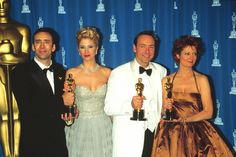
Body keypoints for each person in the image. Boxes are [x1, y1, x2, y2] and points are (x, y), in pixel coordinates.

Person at [151, 35, 233, 157]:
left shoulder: (202, 80)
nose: (192, 57)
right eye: (187, 53)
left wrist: (186, 120)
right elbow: (163, 110)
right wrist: (165, 108)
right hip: (171, 134)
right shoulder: (166, 81)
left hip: (198, 133)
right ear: (178, 55)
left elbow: (209, 112)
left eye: (194, 53)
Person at [104, 31, 167, 157]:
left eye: (151, 46)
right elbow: (108, 108)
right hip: (129, 138)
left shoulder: (161, 71)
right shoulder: (118, 73)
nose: (147, 51)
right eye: (142, 46)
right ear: (134, 48)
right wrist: (130, 105)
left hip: (155, 136)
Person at [11, 27, 68, 157]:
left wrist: (69, 113)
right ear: (33, 46)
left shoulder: (62, 72)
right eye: (38, 42)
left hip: (58, 143)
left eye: (47, 42)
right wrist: (62, 102)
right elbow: (29, 106)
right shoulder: (20, 72)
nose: (42, 46)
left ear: (53, 47)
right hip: (33, 142)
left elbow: (64, 108)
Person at [61, 27, 112, 157]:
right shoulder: (72, 73)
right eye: (82, 47)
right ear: (78, 50)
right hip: (80, 125)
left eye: (90, 46)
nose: (86, 51)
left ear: (97, 48)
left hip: (104, 126)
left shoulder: (107, 73)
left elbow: (113, 103)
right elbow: (68, 103)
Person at [0, 0, 30, 156]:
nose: (1, 7)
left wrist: (8, 56)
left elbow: (25, 56)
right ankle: (7, 153)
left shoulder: (21, 28)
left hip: (18, 76)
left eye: (4, 3)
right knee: (4, 115)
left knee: (17, 115)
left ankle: (16, 152)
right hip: (0, 78)